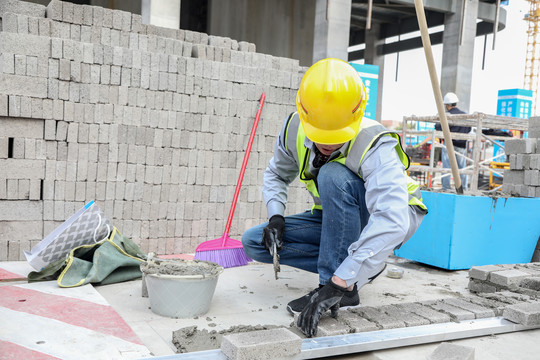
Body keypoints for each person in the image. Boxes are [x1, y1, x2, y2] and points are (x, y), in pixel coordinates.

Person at [241, 58, 428, 338]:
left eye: (337, 136)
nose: (327, 143)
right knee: (255, 242)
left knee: (332, 175)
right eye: (321, 135)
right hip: (340, 221)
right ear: (305, 116)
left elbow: (392, 220)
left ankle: (344, 286)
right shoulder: (294, 128)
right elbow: (276, 175)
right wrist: (276, 217)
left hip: (392, 218)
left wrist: (336, 284)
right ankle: (363, 264)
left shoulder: (375, 142)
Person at [434, 92, 471, 190]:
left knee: (446, 167)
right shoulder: (465, 115)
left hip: (449, 145)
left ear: (447, 105)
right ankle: (463, 188)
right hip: (462, 145)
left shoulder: (448, 115)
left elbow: (438, 126)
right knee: (462, 168)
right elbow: (469, 129)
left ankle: (446, 187)